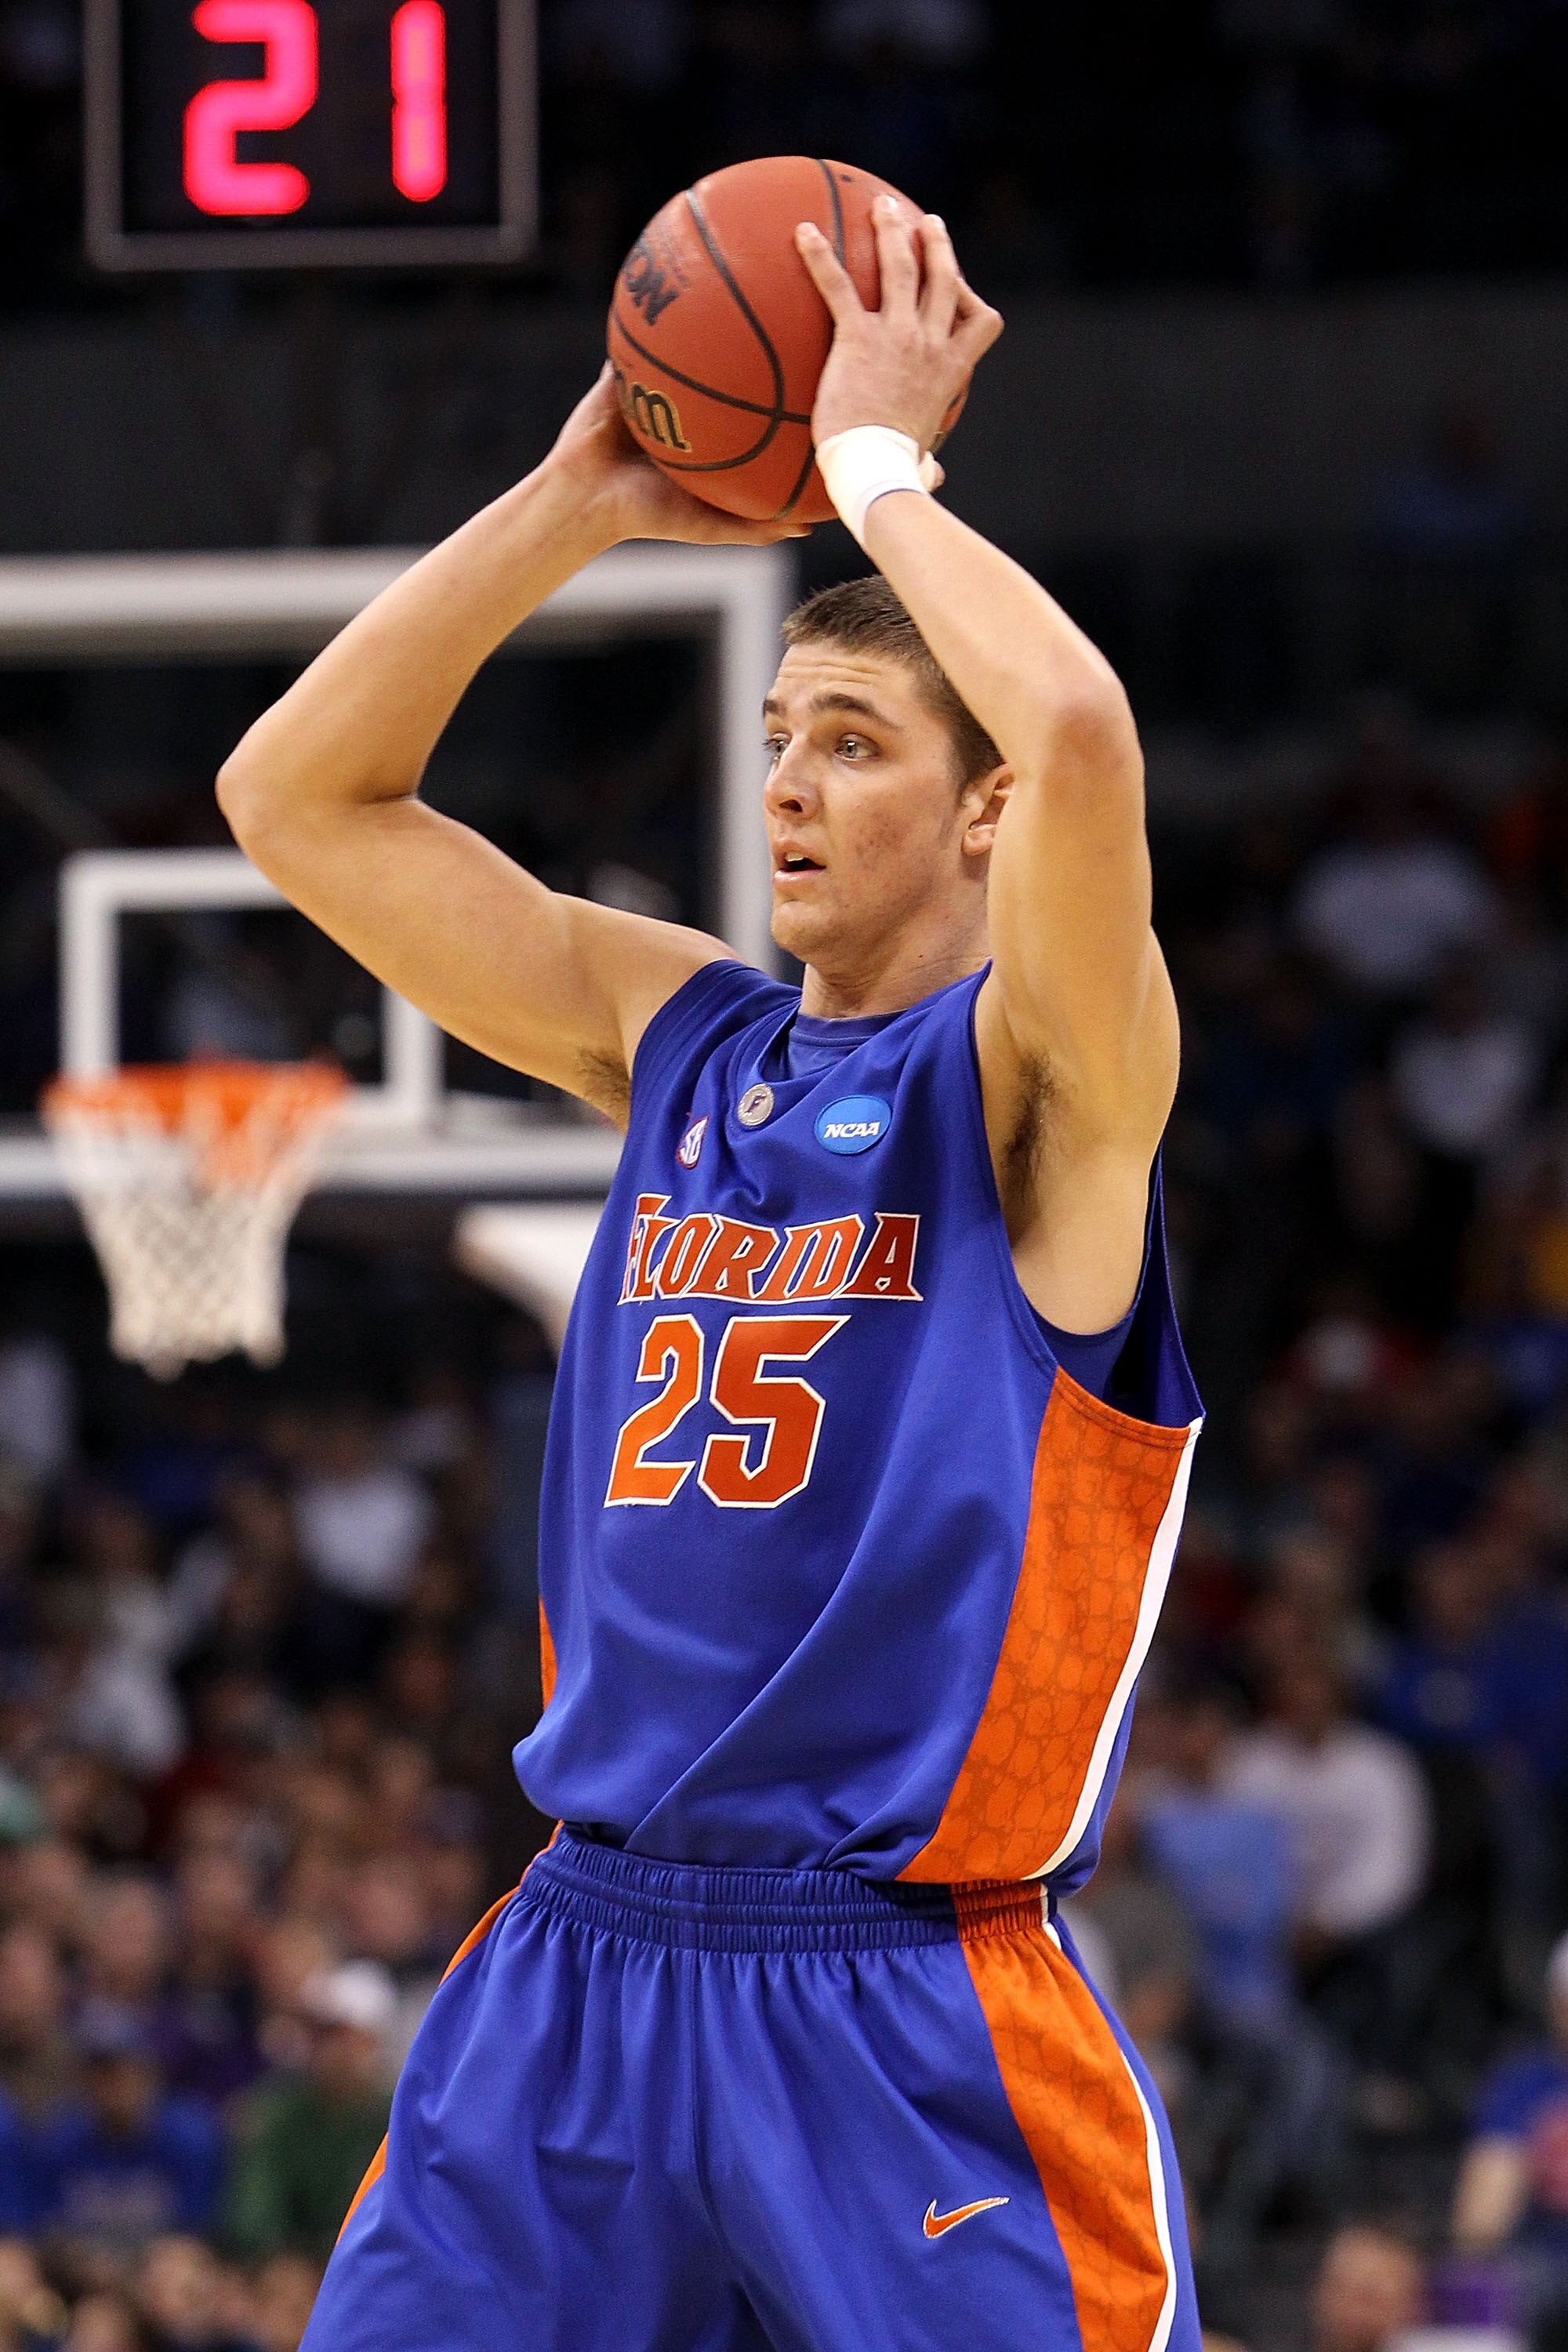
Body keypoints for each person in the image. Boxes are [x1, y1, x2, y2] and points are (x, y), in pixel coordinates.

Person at [217, 198, 1203, 2350]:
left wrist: (876, 469)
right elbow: (293, 795)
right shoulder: (678, 1042)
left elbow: (1094, 732)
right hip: (578, 1962)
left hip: (906, 1992)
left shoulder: (1051, 1086)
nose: (784, 786)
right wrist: (579, 491)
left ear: (982, 812)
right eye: (775, 734)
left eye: (853, 742)